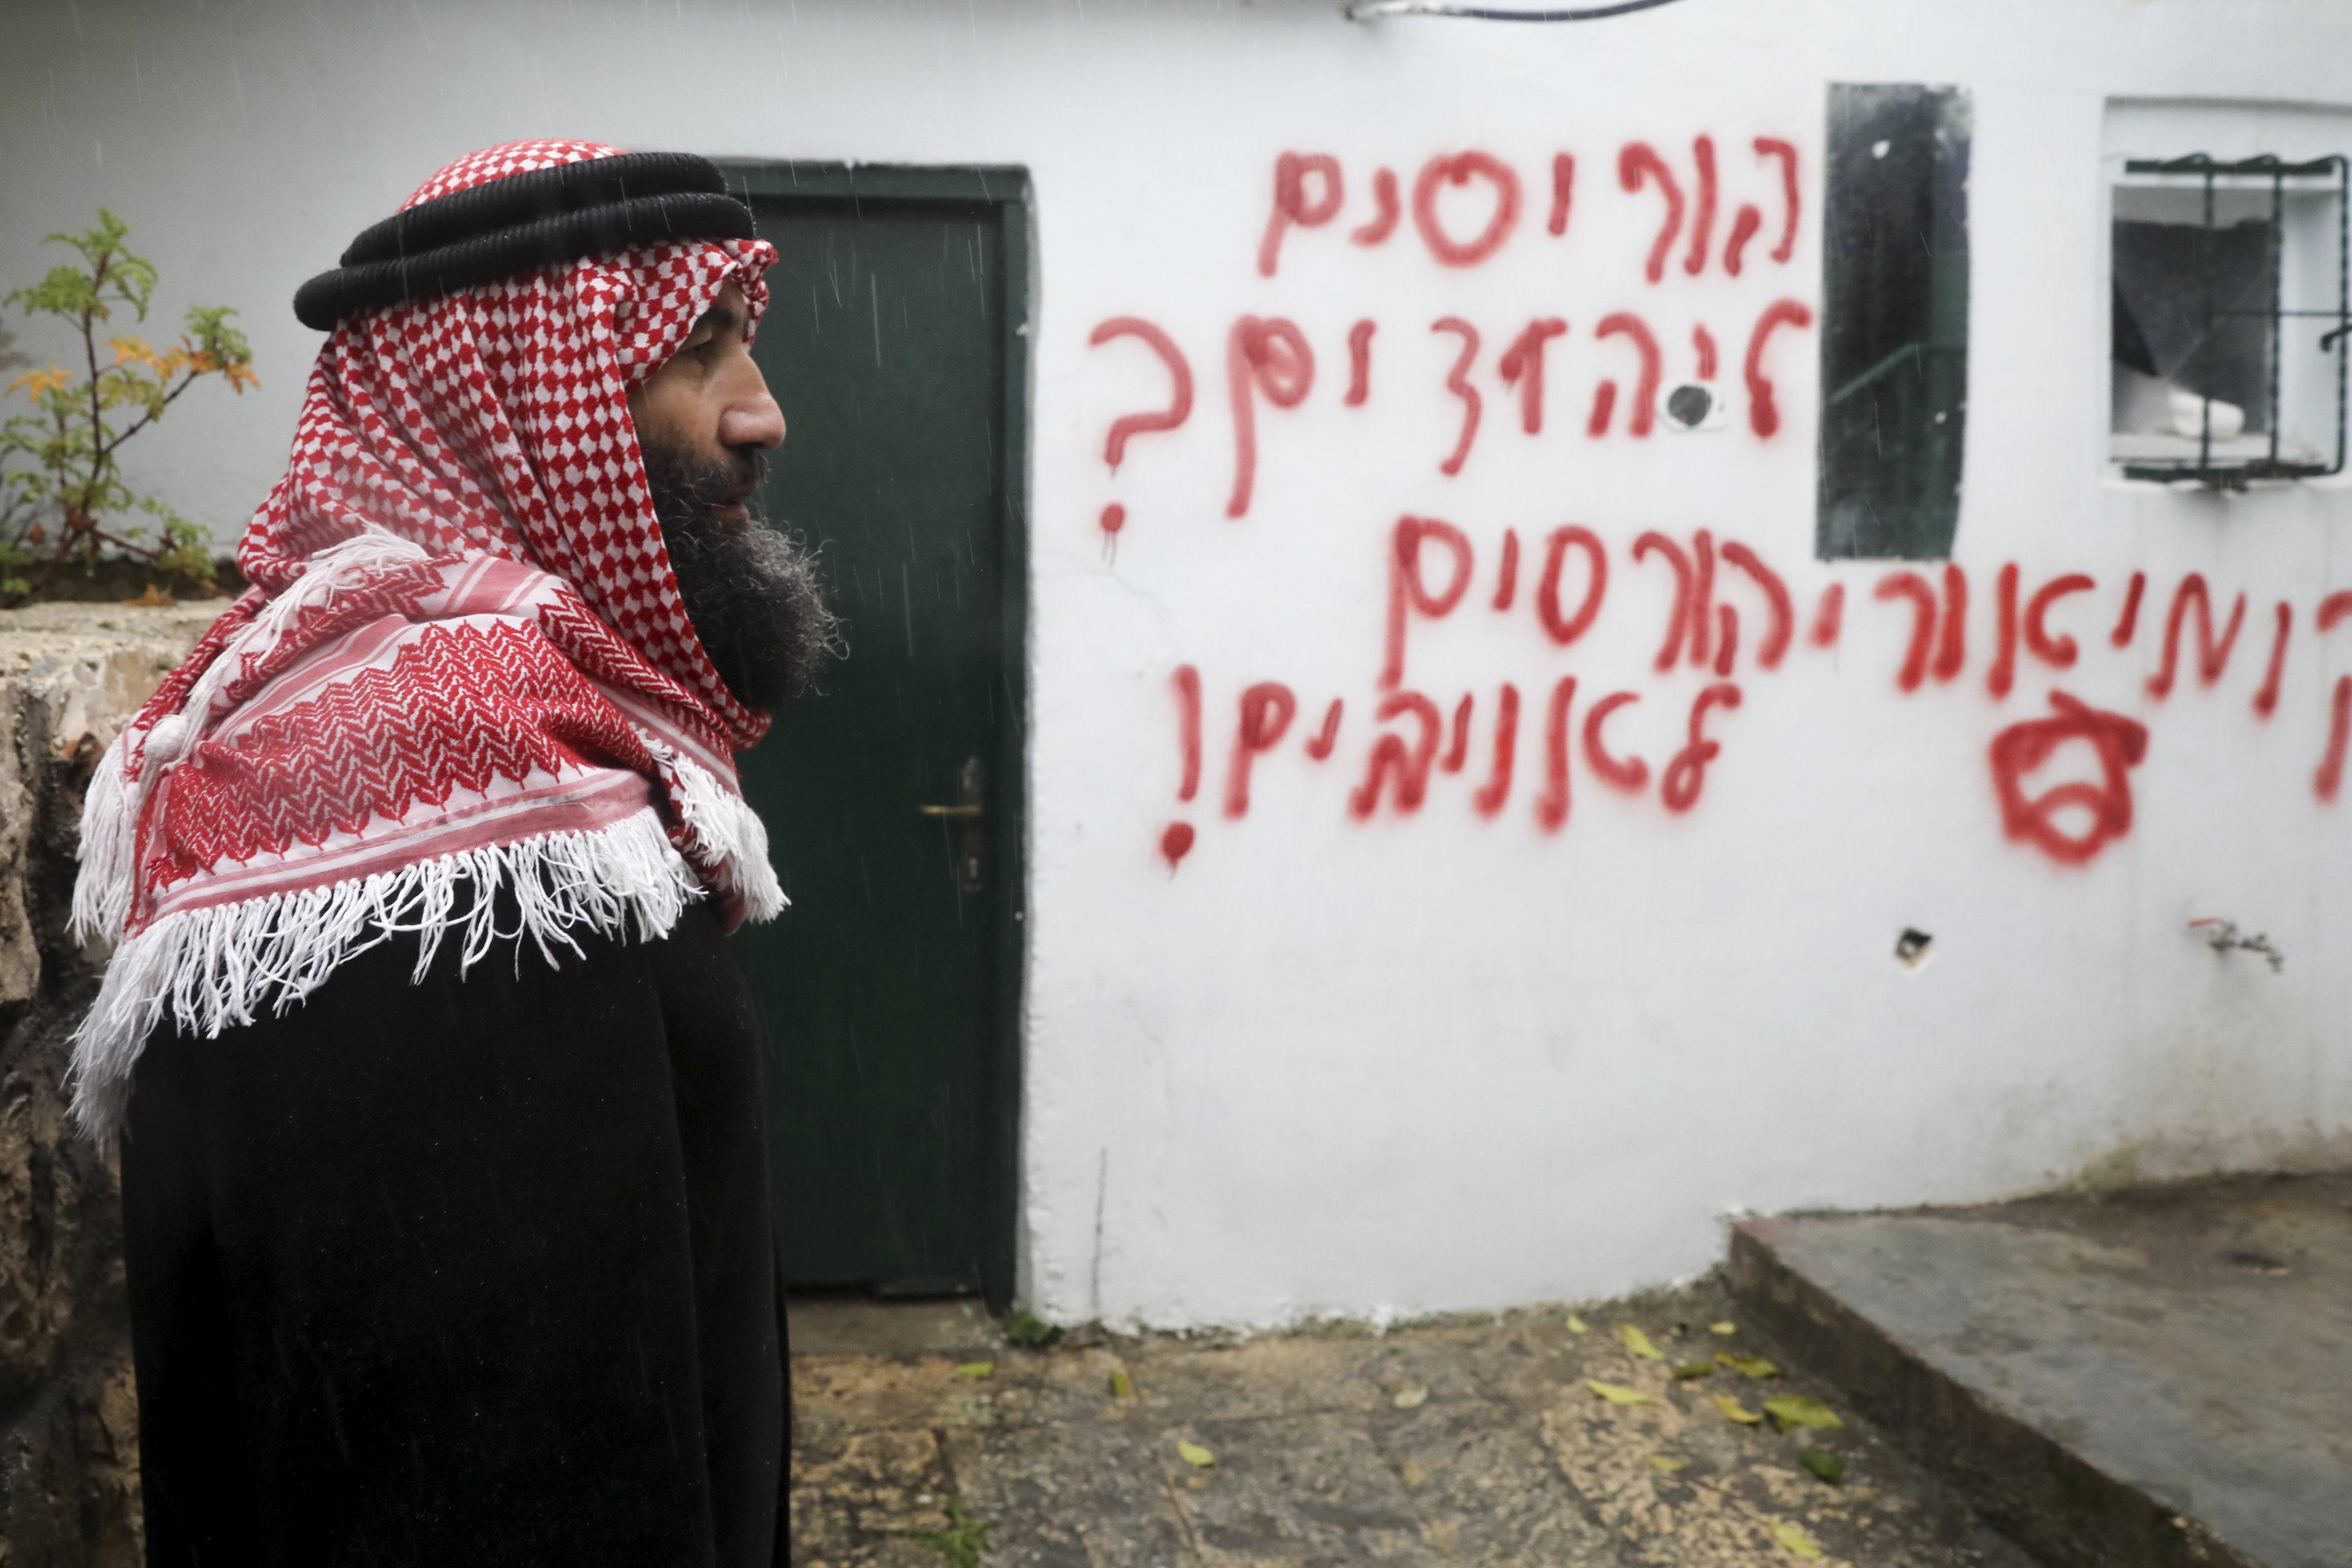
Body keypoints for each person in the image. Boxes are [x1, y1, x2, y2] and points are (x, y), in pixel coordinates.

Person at [66, 140, 838, 1567]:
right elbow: (509, 1473)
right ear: (517, 406)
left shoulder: (468, 722)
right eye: (697, 351)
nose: (761, 413)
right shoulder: (452, 800)